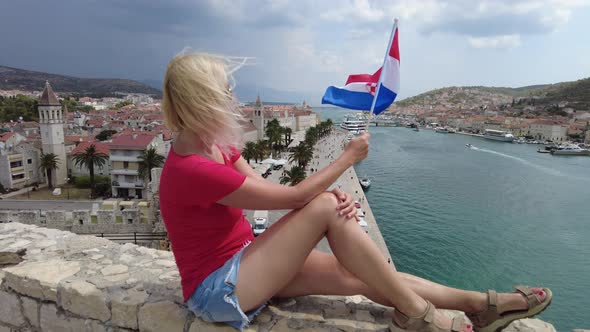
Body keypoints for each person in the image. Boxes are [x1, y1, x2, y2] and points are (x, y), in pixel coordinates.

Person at [158, 52, 552, 332]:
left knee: (364, 275)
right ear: (204, 99)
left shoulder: (218, 147)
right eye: (225, 91)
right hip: (218, 290)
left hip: (246, 264)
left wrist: (320, 200)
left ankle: (481, 305)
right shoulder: (194, 169)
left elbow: (269, 191)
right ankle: (417, 313)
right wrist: (346, 160)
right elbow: (294, 198)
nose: (233, 98)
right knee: (330, 207)